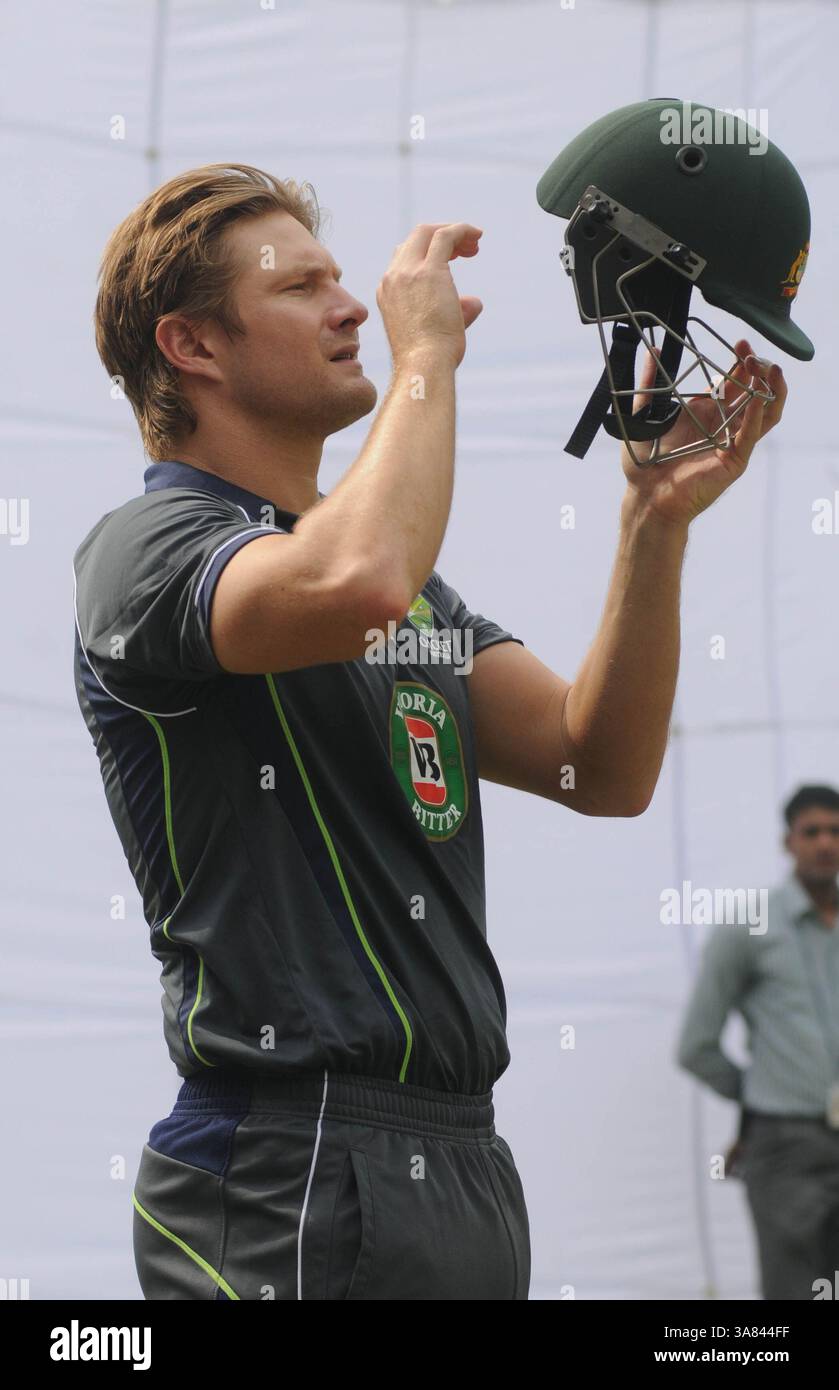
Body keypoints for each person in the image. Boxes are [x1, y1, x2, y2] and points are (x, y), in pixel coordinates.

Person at [73, 162, 786, 1300]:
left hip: (458, 1160)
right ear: (192, 346)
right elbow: (352, 576)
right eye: (303, 287)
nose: (352, 305)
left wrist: (651, 524)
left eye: (342, 280)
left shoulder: (408, 594)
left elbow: (594, 761)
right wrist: (423, 364)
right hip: (285, 1159)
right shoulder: (146, 547)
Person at [676, 785, 839, 1300]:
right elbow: (696, 1045)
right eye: (811, 831)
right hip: (788, 1145)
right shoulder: (750, 928)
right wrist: (762, 1097)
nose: (825, 843)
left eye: (835, 832)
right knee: (795, 1295)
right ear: (786, 842)